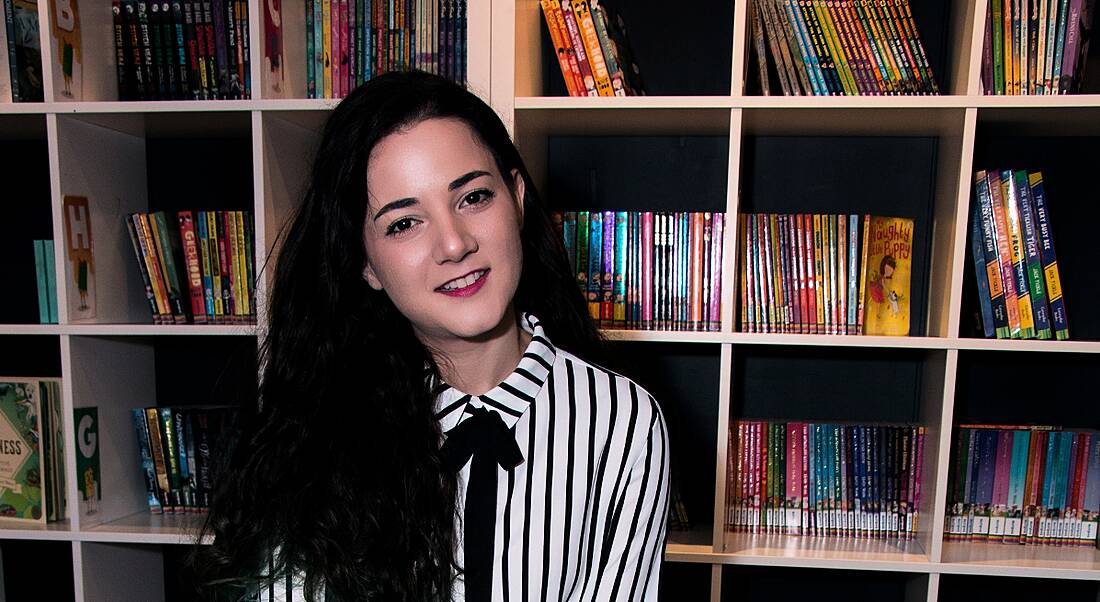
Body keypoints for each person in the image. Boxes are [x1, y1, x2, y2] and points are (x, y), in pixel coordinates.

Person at [189, 70, 670, 601]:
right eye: (403, 223)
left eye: (473, 197)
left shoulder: (622, 419)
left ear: (516, 197)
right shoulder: (313, 429)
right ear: (367, 264)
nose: (454, 243)